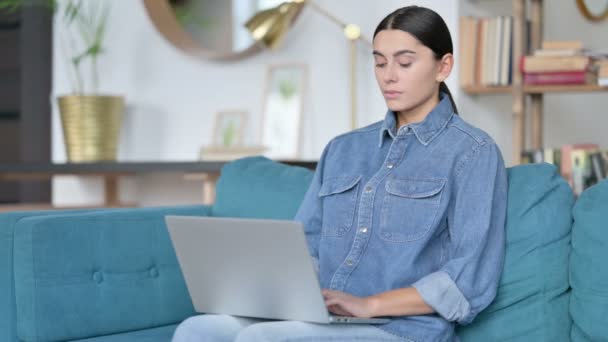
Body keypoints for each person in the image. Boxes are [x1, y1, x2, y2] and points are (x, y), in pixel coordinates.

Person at [172, 5, 508, 342]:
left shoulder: (473, 152)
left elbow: (469, 279)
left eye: (404, 63)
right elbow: (307, 245)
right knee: (198, 329)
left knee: (261, 339)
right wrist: (273, 292)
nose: (388, 75)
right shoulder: (342, 149)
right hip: (323, 317)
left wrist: (369, 304)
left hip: (402, 329)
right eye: (379, 62)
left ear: (443, 66)